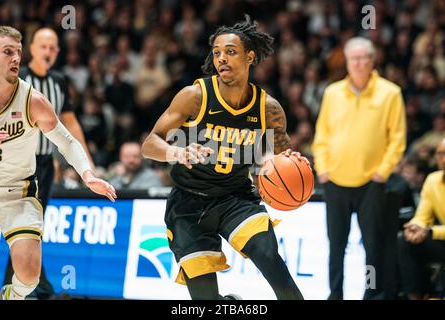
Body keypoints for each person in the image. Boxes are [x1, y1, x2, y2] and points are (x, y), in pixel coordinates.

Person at [141, 15, 308, 300]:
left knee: (271, 260)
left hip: (235, 198)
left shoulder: (269, 108)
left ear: (250, 57)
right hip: (188, 204)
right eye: (217, 53)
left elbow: (278, 155)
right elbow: (149, 143)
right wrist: (177, 152)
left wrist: (282, 164)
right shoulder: (194, 96)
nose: (222, 59)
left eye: (230, 52)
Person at [0, 26, 116, 300]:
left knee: (28, 275)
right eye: (7, 52)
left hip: (17, 192)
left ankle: (10, 296)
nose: (16, 58)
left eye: (18, 53)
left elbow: (68, 140)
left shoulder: (33, 100)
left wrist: (87, 174)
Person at [312, 37, 407, 300]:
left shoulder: (390, 93)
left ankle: (372, 295)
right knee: (336, 246)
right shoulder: (332, 93)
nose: (358, 63)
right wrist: (323, 169)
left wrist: (382, 172)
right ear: (347, 61)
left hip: (370, 183)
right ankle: (335, 294)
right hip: (335, 182)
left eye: (363, 57)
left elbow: (397, 138)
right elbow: (322, 135)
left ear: (372, 60)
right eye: (353, 58)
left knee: (373, 247)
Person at [398, 138, 445, 300]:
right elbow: (422, 216)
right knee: (405, 240)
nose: (443, 159)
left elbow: (429, 230)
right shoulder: (432, 180)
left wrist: (430, 232)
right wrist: (414, 227)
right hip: (439, 238)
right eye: (440, 154)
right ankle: (414, 296)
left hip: (437, 234)